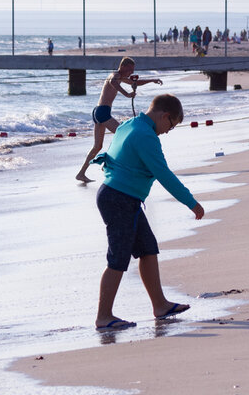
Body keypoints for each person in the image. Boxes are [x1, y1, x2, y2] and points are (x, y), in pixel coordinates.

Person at [92, 93, 204, 329]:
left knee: (147, 248)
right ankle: (104, 316)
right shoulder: (146, 136)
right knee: (118, 257)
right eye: (171, 126)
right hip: (120, 198)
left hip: (120, 196)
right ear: (165, 116)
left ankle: (160, 305)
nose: (167, 131)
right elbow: (164, 174)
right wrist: (191, 202)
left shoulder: (130, 124)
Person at [75, 57, 163, 183]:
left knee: (97, 146)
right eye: (130, 70)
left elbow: (135, 83)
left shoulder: (120, 77)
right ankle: (107, 163)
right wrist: (127, 94)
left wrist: (152, 80)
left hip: (99, 111)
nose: (131, 73)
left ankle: (81, 173)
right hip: (102, 112)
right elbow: (113, 82)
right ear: (123, 66)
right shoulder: (115, 75)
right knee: (123, 135)